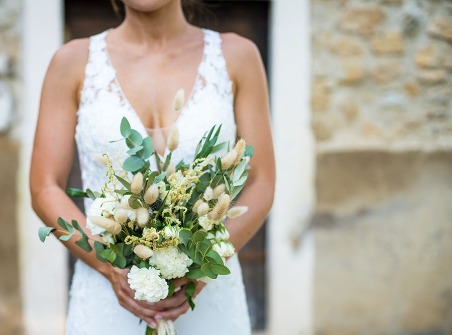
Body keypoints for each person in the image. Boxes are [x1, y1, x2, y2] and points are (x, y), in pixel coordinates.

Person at [30, 0, 275, 333]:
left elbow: (261, 180)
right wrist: (107, 264)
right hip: (108, 302)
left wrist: (205, 263)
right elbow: (44, 186)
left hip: (209, 303)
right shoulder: (72, 62)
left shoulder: (238, 56)